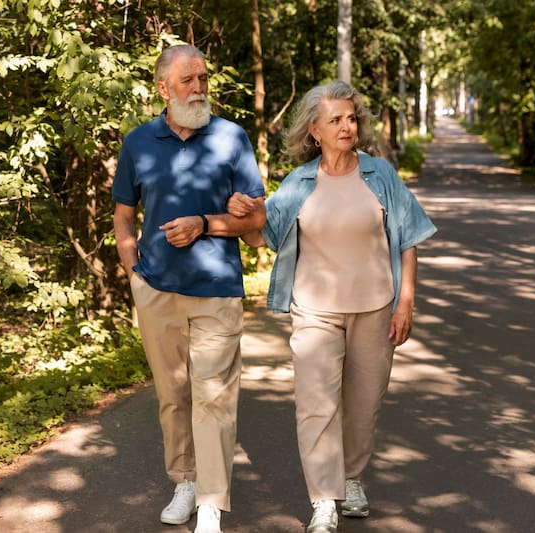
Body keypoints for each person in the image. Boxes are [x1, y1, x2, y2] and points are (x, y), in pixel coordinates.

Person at [228, 80, 436, 533]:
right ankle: (324, 500)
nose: (347, 126)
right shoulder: (299, 182)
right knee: (316, 403)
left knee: (364, 406)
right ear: (314, 131)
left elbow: (410, 240)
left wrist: (406, 303)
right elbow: (259, 234)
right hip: (315, 311)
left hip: (376, 307)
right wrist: (240, 212)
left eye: (351, 118)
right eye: (336, 120)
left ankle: (352, 476)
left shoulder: (380, 174)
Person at [112, 44, 266, 533]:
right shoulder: (138, 143)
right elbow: (123, 217)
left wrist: (205, 223)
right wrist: (135, 275)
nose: (199, 88)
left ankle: (210, 504)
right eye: (188, 80)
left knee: (214, 396)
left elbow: (258, 221)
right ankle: (184, 480)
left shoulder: (231, 138)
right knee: (173, 395)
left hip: (218, 289)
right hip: (156, 291)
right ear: (163, 89)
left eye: (203, 78)